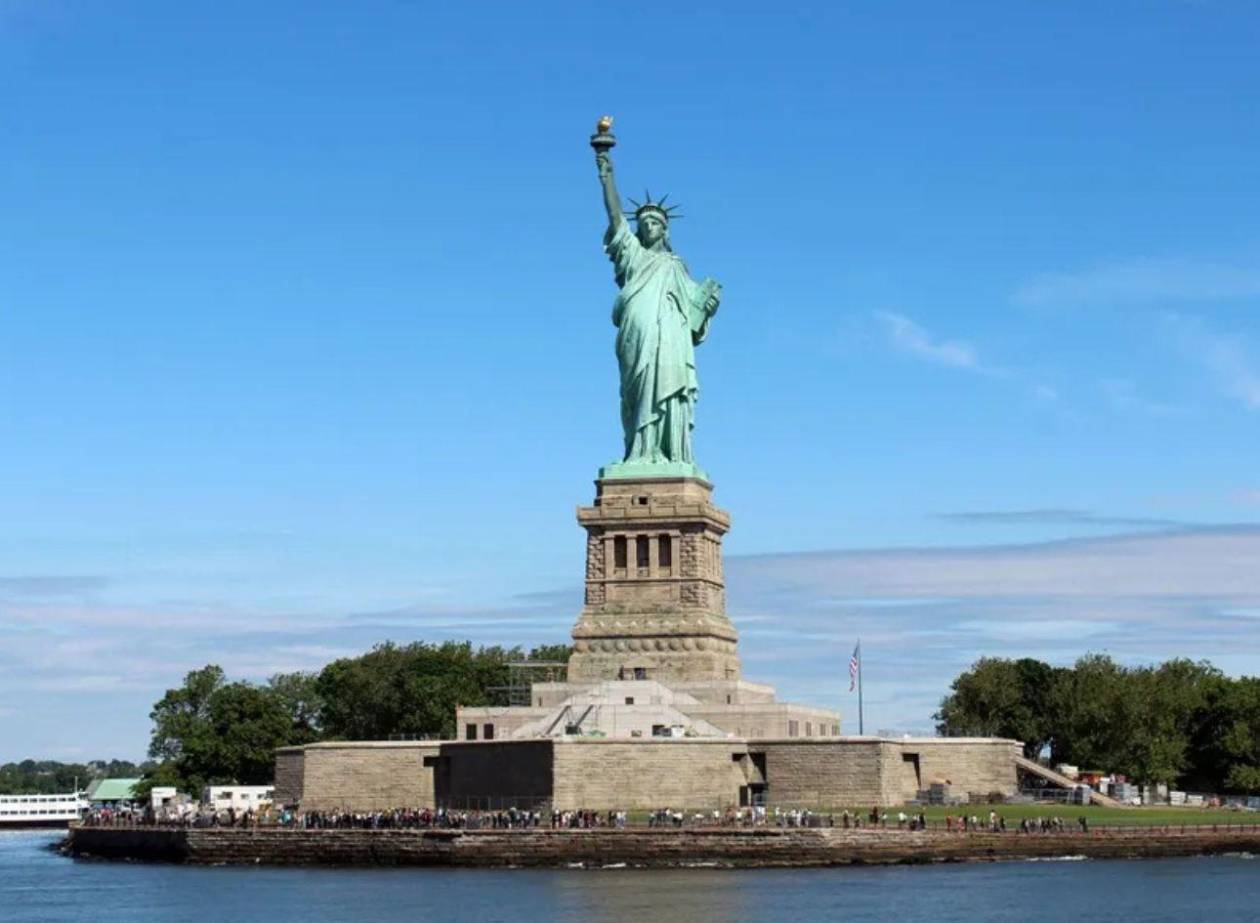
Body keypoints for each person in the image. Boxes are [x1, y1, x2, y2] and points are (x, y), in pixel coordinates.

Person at [594, 146, 721, 467]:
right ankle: (638, 452)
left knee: (670, 390)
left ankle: (669, 454)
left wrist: (709, 304)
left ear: (665, 229)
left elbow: (695, 314)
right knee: (637, 391)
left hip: (671, 338)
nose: (649, 225)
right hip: (637, 332)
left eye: (656, 222)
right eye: (645, 222)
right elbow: (614, 215)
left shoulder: (676, 266)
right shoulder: (632, 254)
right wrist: (606, 173)